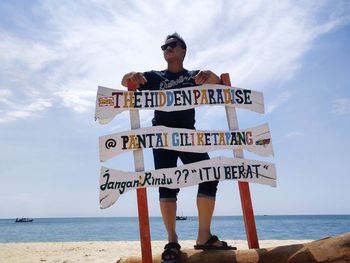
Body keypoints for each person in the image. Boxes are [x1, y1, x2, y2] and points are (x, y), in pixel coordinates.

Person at [122, 33, 235, 263]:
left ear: (183, 51)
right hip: (161, 138)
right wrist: (130, 76)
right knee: (167, 185)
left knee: (210, 176)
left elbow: (218, 82)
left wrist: (209, 74)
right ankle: (172, 240)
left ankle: (204, 236)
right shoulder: (154, 77)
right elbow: (126, 82)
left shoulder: (193, 76)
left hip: (188, 137)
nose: (167, 49)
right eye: (164, 46)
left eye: (172, 45)